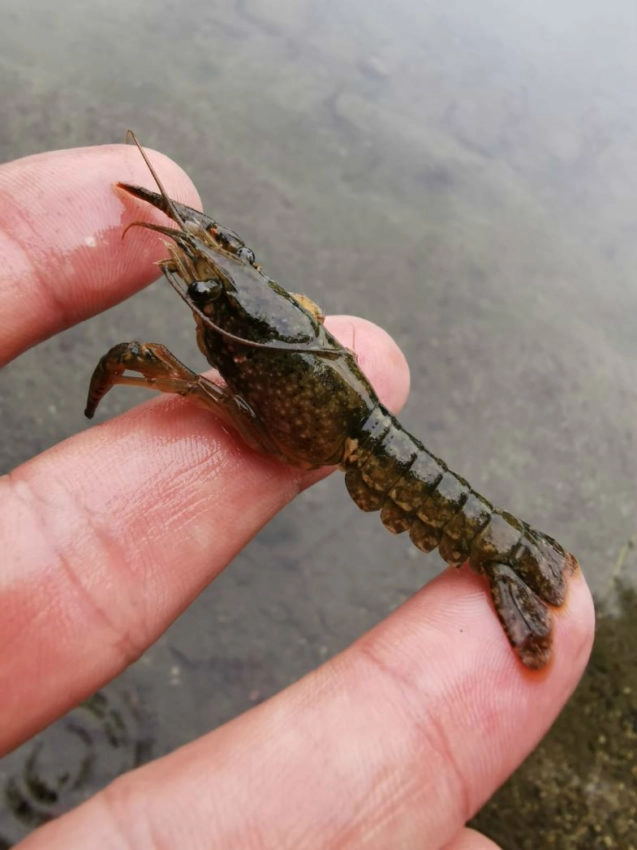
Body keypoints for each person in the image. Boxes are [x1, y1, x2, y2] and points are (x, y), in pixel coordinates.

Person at [0, 144, 594, 850]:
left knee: (194, 378)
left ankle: (500, 554)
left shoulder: (290, 400)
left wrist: (188, 376)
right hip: (366, 434)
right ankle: (512, 550)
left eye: (216, 297)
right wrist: (216, 275)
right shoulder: (283, 324)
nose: (210, 289)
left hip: (387, 465)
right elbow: (240, 279)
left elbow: (229, 351)